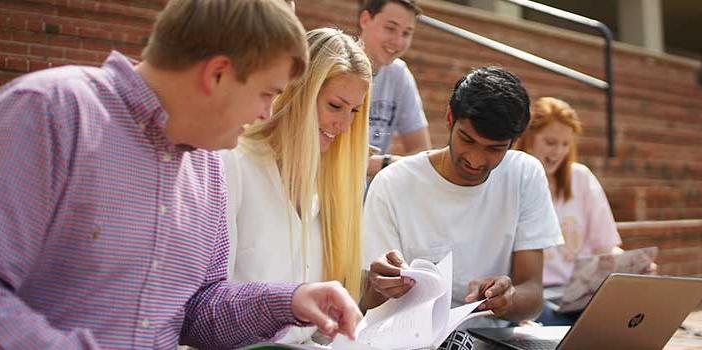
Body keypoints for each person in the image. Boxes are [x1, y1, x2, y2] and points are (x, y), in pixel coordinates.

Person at [0, 1, 362, 348]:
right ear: (217, 73)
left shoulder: (207, 166)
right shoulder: (50, 112)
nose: (267, 114)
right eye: (266, 93)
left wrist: (291, 300)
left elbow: (197, 312)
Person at [361, 67, 564, 329]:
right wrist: (382, 287)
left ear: (514, 141)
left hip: (494, 339)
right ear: (449, 118)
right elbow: (371, 308)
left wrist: (507, 299)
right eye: (467, 139)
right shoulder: (393, 184)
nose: (475, 159)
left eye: (494, 149)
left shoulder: (524, 174)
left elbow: (533, 294)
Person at [221, 27, 371, 344]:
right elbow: (208, 309)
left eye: (354, 111)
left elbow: (316, 333)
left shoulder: (331, 186)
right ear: (298, 92)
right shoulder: (235, 163)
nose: (345, 126)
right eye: (335, 106)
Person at [514, 97, 624, 325]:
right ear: (529, 138)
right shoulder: (511, 181)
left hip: (583, 294)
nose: (558, 152)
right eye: (551, 142)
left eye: (566, 144)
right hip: (537, 296)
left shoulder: (580, 178)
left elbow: (606, 247)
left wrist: (636, 268)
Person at [357, 0, 432, 176]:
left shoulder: (399, 73)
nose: (398, 42)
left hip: (370, 194)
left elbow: (421, 150)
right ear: (365, 20)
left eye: (406, 33)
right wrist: (386, 163)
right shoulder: (337, 65)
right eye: (390, 28)